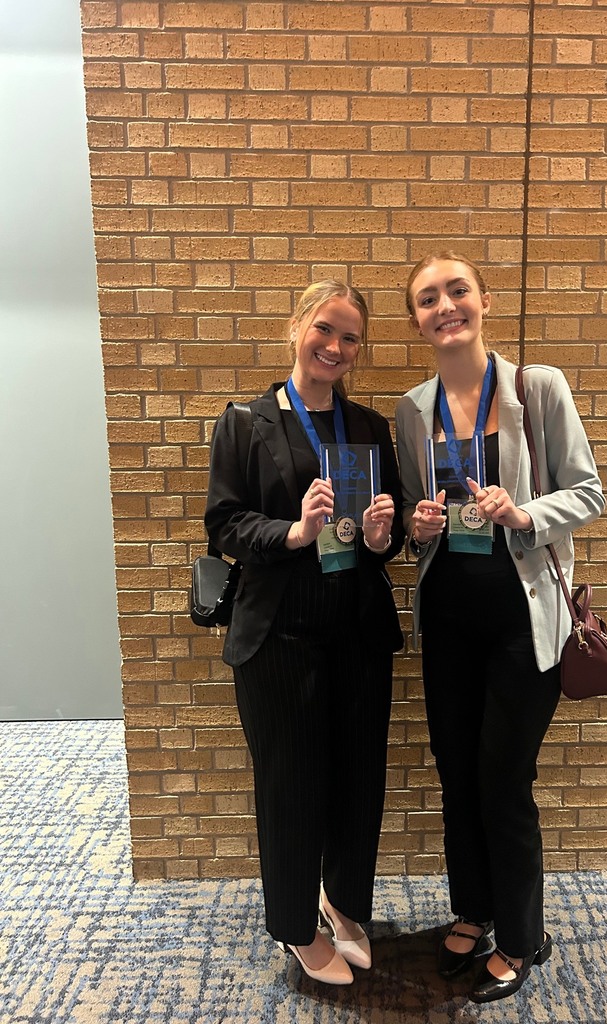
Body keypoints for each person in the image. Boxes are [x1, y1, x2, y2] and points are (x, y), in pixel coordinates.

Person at [395, 252, 605, 1004]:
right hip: (448, 620)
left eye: (457, 291)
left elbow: (588, 491)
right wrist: (421, 528)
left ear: (483, 300)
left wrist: (522, 513)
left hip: (524, 623)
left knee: (503, 781)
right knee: (457, 774)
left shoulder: (534, 387)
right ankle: (472, 910)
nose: (445, 306)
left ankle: (523, 935)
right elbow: (425, 524)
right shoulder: (413, 409)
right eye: (428, 298)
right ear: (415, 318)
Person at [205, 280, 404, 986]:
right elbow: (224, 522)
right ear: (296, 327)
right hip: (279, 635)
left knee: (359, 780)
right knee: (290, 785)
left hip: (356, 630)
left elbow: (393, 532)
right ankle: (295, 926)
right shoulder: (244, 421)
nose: (336, 347)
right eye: (325, 329)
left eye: (351, 337)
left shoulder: (370, 428)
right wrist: (294, 530)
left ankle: (345, 901)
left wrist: (382, 534)